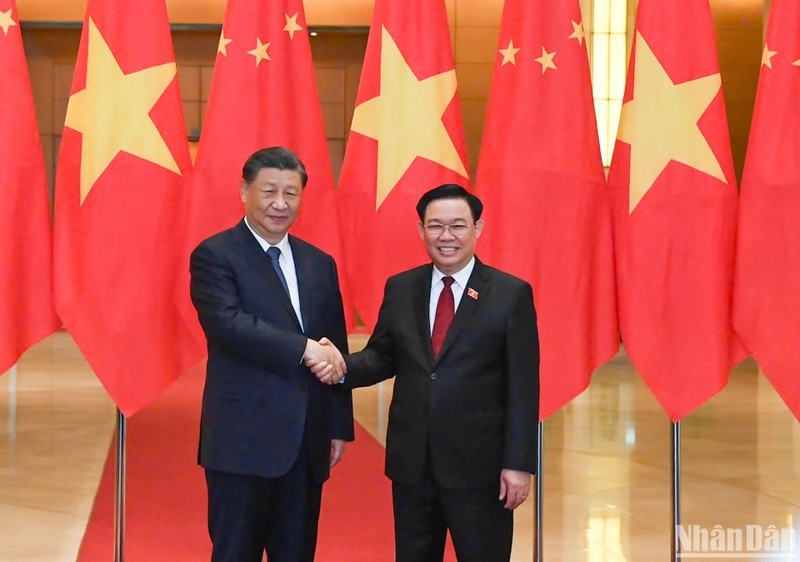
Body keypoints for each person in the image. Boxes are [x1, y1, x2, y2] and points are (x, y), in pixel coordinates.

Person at [310, 184, 539, 562]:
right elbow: (382, 357)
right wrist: (340, 365)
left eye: (458, 226)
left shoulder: (510, 294)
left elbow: (523, 387)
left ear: (478, 229)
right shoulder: (401, 288)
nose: (446, 236)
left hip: (480, 468)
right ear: (421, 231)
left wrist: (518, 464)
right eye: (435, 226)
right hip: (412, 464)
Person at [190, 146, 353, 562]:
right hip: (241, 440)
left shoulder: (320, 263)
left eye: (291, 193)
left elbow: (334, 346)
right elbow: (228, 325)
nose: (280, 204)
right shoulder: (215, 255)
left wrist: (338, 424)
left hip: (306, 441)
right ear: (244, 191)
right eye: (268, 191)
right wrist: (301, 348)